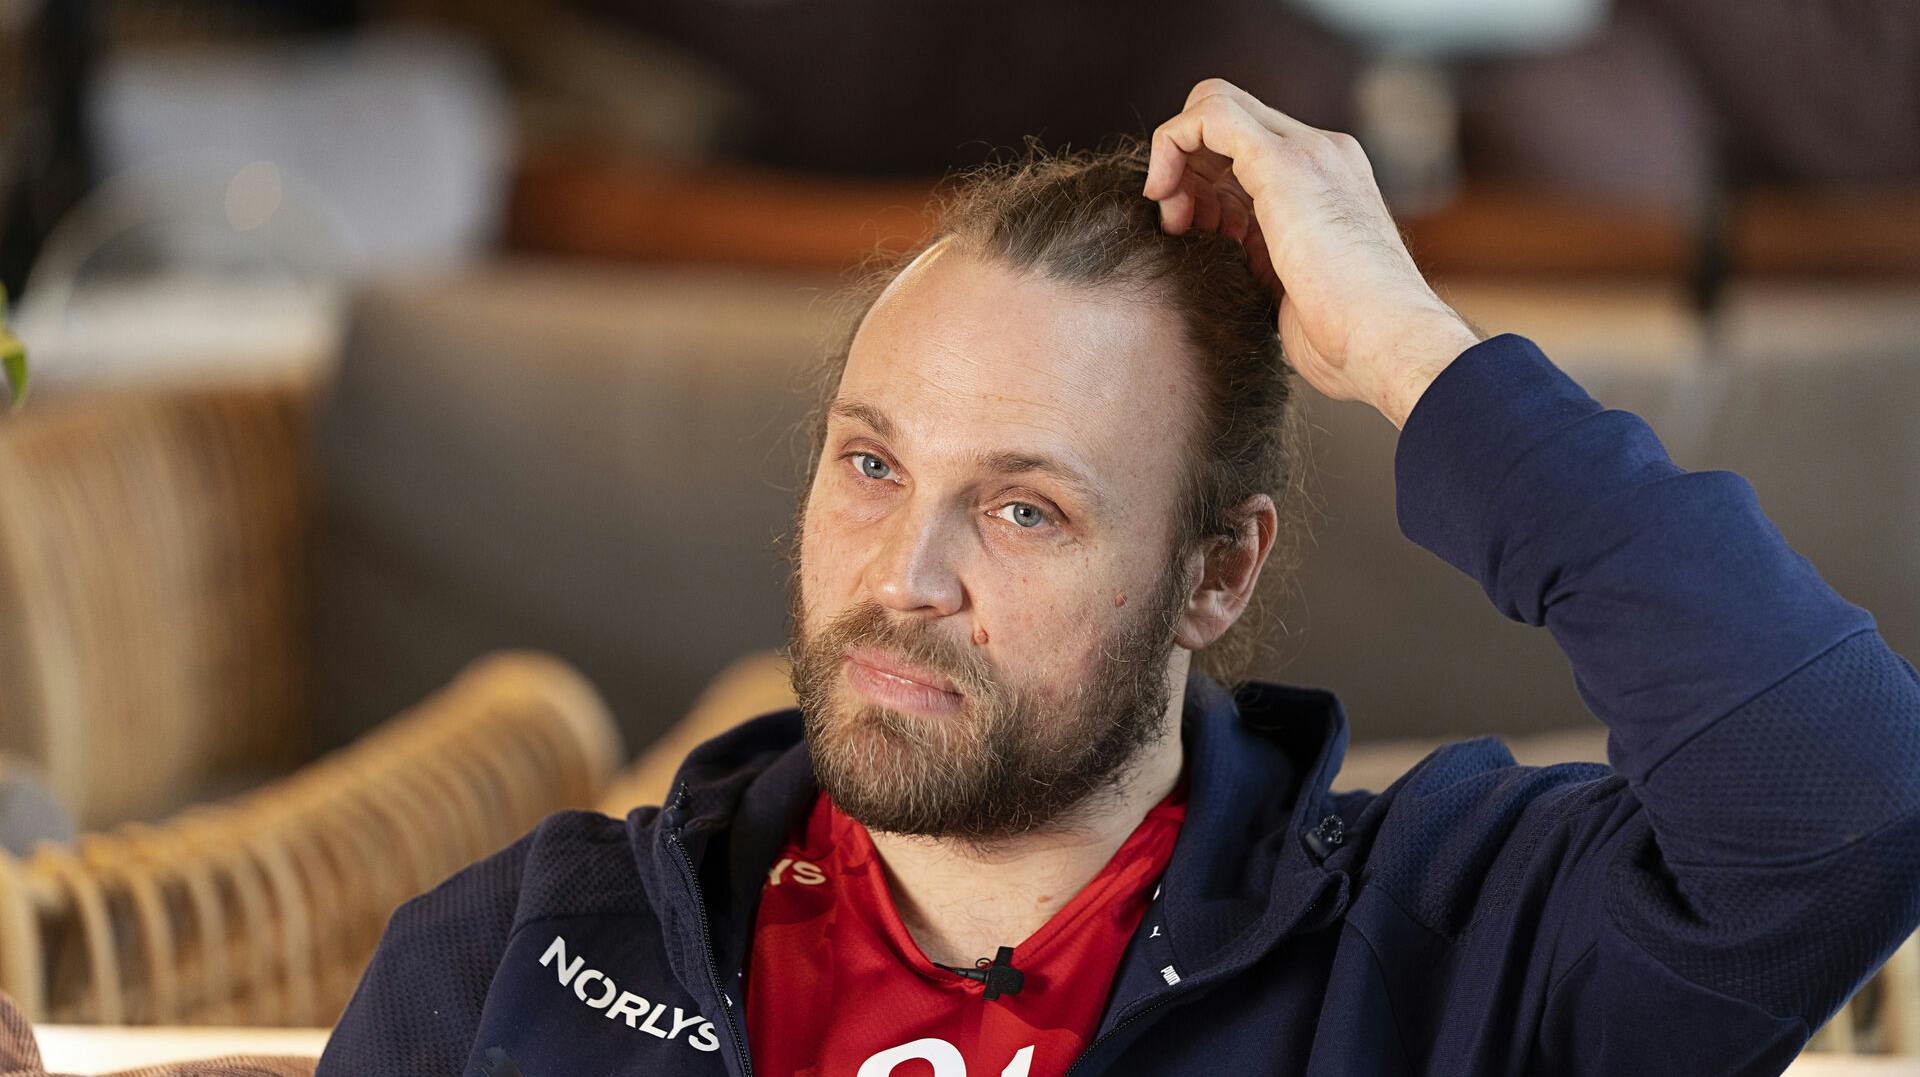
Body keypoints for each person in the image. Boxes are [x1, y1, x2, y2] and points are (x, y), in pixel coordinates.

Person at [316, 79, 1920, 1076]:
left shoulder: (1445, 948)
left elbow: (1851, 792)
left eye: (1023, 512)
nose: (907, 576)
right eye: (871, 465)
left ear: (1217, 574)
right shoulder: (520, 946)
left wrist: (1410, 349)